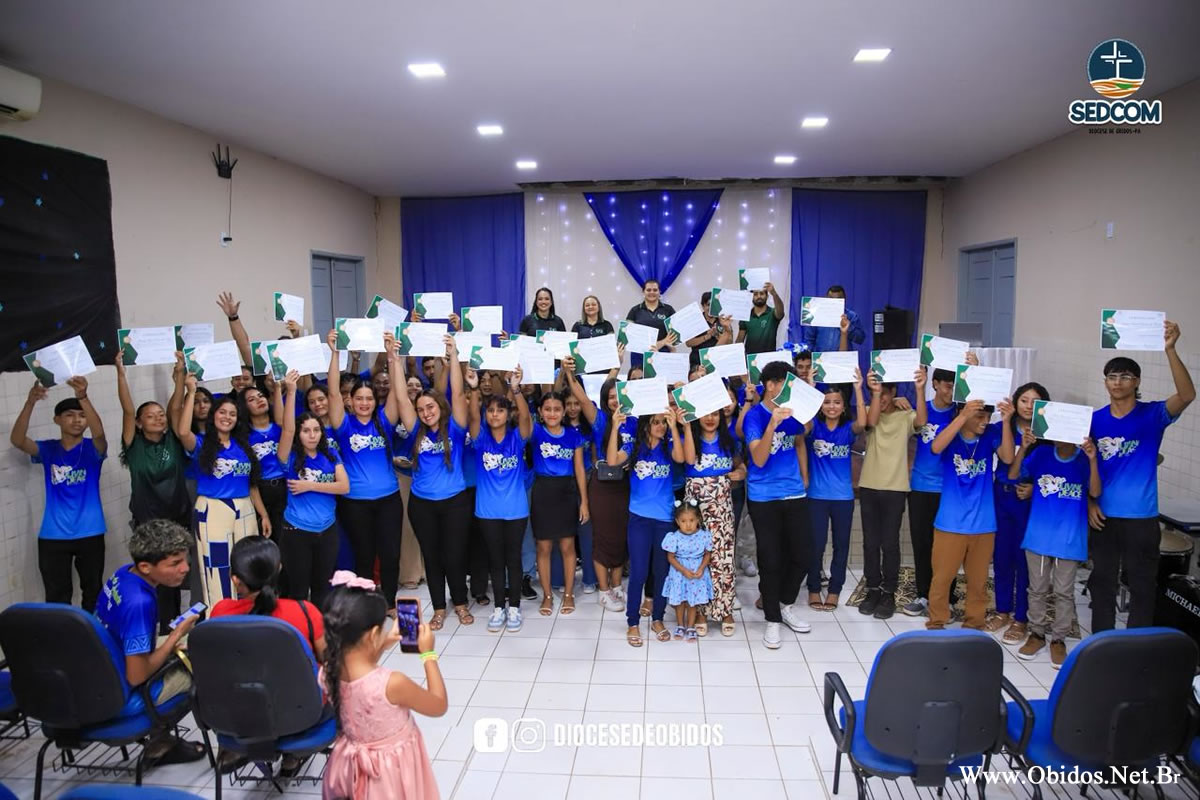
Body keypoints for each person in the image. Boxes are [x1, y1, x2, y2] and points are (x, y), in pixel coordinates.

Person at [1089, 320, 1194, 631]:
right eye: (1112, 376)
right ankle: (1102, 642)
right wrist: (1089, 504)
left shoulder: (1153, 415)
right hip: (1104, 517)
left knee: (1142, 585)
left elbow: (1187, 394)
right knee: (1102, 583)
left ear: (1136, 381)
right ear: (1105, 382)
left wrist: (1170, 349)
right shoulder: (1093, 421)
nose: (1118, 382)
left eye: (1125, 376)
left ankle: (1136, 644)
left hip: (1142, 517)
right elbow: (1083, 468)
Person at [321, 576, 444, 800]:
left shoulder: (327, 671)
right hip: (389, 775)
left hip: (348, 766)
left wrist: (384, 641)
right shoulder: (391, 683)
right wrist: (428, 654)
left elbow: (358, 660)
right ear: (371, 635)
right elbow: (438, 705)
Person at [94, 519, 206, 765]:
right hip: (122, 685)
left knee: (191, 643)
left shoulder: (124, 573)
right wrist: (175, 636)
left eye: (185, 560)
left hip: (105, 664)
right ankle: (161, 744)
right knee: (203, 662)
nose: (185, 568)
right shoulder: (140, 603)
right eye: (175, 563)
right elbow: (136, 675)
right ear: (145, 566)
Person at [11, 376, 108, 611]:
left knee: (93, 592)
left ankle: (90, 632)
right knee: (57, 597)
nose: (77, 420)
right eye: (69, 415)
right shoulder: (48, 449)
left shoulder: (93, 449)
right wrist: (30, 403)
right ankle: (62, 633)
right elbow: (18, 440)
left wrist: (83, 397)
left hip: (91, 532)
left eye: (82, 415)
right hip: (53, 535)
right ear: (57, 420)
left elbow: (99, 434)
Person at [397, 335, 473, 630]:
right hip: (422, 505)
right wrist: (394, 359)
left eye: (430, 407)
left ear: (440, 406)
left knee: (455, 556)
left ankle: (461, 603)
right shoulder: (416, 429)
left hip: (455, 503)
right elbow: (401, 398)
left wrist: (453, 357)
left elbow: (458, 393)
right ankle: (439, 608)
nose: (426, 413)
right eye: (421, 409)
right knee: (432, 557)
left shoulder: (455, 428)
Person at [327, 330, 405, 608]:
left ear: (375, 401)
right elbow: (332, 392)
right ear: (350, 401)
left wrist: (393, 357)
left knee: (390, 555)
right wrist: (335, 353)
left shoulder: (385, 420)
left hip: (388, 500)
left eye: (368, 398)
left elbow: (397, 393)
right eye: (358, 398)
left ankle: (390, 603)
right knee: (364, 555)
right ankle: (368, 606)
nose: (363, 403)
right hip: (355, 503)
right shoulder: (343, 424)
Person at [175, 380, 269, 606]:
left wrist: (263, 514)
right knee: (216, 568)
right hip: (213, 508)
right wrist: (190, 392)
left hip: (245, 507)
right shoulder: (202, 444)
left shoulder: (242, 446)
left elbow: (251, 484)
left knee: (248, 563)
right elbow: (183, 431)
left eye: (233, 414)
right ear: (213, 416)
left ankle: (249, 613)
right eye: (222, 412)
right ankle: (220, 614)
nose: (227, 417)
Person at [115, 355, 191, 631]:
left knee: (173, 579)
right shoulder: (133, 446)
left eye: (160, 415)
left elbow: (176, 405)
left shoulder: (173, 439)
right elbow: (127, 410)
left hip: (177, 519)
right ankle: (151, 627)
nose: (158, 418)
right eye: (150, 416)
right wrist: (121, 374)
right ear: (139, 423)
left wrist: (180, 374)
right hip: (148, 523)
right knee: (151, 576)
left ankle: (171, 629)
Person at [927, 398, 1016, 630]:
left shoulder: (991, 434)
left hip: (983, 523)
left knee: (978, 582)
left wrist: (1006, 421)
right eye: (979, 416)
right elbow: (936, 447)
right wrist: (963, 416)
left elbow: (1008, 458)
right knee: (942, 579)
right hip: (950, 523)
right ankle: (937, 621)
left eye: (988, 416)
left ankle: (974, 623)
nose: (985, 422)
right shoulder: (950, 431)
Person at [742, 361, 813, 648]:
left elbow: (806, 430)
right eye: (785, 383)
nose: (789, 389)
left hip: (793, 492)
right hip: (763, 497)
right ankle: (772, 620)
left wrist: (807, 396)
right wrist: (772, 423)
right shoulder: (754, 417)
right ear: (770, 385)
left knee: (803, 555)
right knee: (770, 560)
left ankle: (785, 605)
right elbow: (759, 459)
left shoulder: (791, 410)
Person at [1013, 434, 1100, 668]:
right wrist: (1024, 448)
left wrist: (1093, 459)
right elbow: (1015, 475)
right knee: (1037, 589)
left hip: (1069, 538)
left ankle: (1059, 639)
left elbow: (1095, 492)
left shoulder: (1083, 459)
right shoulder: (1041, 454)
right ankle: (1037, 634)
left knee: (1064, 592)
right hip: (1039, 536)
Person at [607, 408, 686, 646]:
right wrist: (615, 427)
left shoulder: (669, 446)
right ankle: (633, 622)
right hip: (639, 519)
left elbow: (681, 458)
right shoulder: (634, 447)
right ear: (645, 425)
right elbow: (612, 461)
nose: (660, 426)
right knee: (639, 573)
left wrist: (674, 427)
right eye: (656, 422)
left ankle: (658, 618)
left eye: (663, 422)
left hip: (664, 520)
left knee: (661, 572)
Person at [857, 371, 928, 620]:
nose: (883, 398)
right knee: (870, 542)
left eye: (887, 393)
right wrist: (876, 394)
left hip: (896, 488)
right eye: (878, 393)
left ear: (894, 392)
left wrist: (919, 389)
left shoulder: (905, 415)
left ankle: (889, 592)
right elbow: (870, 423)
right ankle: (872, 590)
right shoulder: (869, 411)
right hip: (869, 486)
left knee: (889, 543)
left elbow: (922, 421)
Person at [563, 369, 635, 613]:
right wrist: (569, 373)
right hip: (602, 486)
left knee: (621, 536)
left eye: (619, 396)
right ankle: (604, 591)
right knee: (603, 537)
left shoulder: (634, 422)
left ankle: (616, 585)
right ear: (605, 399)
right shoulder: (600, 419)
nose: (615, 401)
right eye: (611, 396)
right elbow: (582, 398)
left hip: (624, 485)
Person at [276, 372, 350, 604]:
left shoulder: (331, 454)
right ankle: (300, 627)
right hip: (297, 531)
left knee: (322, 589)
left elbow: (344, 487)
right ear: (298, 434)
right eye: (306, 430)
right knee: (298, 591)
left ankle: (319, 626)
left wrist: (309, 485)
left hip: (327, 530)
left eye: (316, 430)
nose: (312, 435)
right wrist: (290, 391)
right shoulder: (289, 457)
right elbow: (287, 430)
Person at [469, 368, 532, 633]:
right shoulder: (480, 439)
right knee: (495, 560)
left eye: (500, 410)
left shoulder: (517, 438)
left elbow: (526, 417)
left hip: (516, 510)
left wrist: (515, 389)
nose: (495, 414)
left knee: (513, 559)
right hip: (487, 511)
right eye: (491, 410)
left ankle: (514, 607)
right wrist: (474, 388)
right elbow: (473, 416)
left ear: (508, 414)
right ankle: (498, 607)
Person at [988, 382, 1048, 644]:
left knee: (1025, 560)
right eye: (1024, 400)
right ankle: (1002, 610)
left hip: (1029, 501)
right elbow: (1005, 459)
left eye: (1035, 402)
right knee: (1001, 556)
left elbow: (1057, 469)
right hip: (1001, 496)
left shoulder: (1049, 433)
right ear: (1015, 402)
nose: (1028, 406)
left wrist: (1036, 488)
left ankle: (1021, 618)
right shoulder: (1003, 426)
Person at [804, 373, 868, 611]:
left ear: (843, 406)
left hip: (843, 497)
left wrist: (858, 388)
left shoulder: (848, 429)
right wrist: (811, 390)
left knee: (841, 546)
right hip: (816, 497)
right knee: (816, 545)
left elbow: (863, 422)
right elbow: (804, 423)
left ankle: (834, 589)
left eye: (837, 402)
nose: (832, 406)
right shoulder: (814, 427)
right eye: (827, 402)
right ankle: (813, 588)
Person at [680, 404, 744, 636]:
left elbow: (740, 466)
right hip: (695, 510)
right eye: (705, 413)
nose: (710, 418)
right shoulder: (690, 438)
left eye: (714, 413)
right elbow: (689, 460)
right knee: (697, 558)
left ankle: (726, 610)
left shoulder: (728, 441)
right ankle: (701, 611)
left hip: (722, 509)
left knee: (723, 560)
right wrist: (686, 427)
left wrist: (741, 472)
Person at [902, 367, 960, 617]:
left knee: (948, 547)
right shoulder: (921, 409)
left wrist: (974, 367)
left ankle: (947, 596)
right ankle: (924, 594)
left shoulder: (960, 414)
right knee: (922, 543)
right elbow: (916, 424)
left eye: (955, 387)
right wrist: (915, 390)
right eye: (947, 386)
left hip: (950, 489)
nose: (950, 392)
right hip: (921, 486)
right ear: (935, 384)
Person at [211, 535, 327, 660]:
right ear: (279, 568)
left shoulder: (220, 612)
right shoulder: (306, 612)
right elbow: (329, 660)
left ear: (235, 580)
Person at [530, 392, 589, 615]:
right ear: (540, 412)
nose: (552, 413)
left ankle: (569, 593)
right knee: (544, 547)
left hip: (567, 492)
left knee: (567, 546)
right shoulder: (536, 432)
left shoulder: (573, 435)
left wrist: (584, 502)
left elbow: (579, 469)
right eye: (547, 409)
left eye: (557, 409)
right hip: (543, 491)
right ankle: (547, 595)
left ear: (564, 411)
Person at [240, 383, 287, 539]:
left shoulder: (281, 428)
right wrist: (263, 514)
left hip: (287, 488)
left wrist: (278, 388)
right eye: (251, 399)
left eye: (261, 396)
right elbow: (251, 481)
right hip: (262, 492)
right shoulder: (244, 437)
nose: (259, 400)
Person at [661, 500, 713, 642]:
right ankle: (680, 625)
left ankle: (690, 627)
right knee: (680, 602)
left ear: (698, 519)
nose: (688, 525)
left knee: (692, 602)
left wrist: (701, 569)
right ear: (677, 521)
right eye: (683, 521)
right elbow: (671, 557)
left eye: (691, 520)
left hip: (696, 574)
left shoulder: (704, 536)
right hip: (679, 573)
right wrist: (683, 570)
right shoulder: (674, 538)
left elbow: (707, 554)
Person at [802, 285, 865, 353]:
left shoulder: (851, 316)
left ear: (844, 299)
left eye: (838, 299)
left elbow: (860, 339)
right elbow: (809, 339)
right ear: (826, 298)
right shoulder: (817, 315)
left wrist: (849, 327)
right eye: (831, 299)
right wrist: (812, 355)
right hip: (821, 357)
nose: (834, 302)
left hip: (843, 357)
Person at [625, 279, 678, 356]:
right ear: (643, 292)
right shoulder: (635, 310)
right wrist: (663, 342)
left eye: (655, 290)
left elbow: (674, 333)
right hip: (639, 354)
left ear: (659, 292)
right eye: (648, 290)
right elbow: (627, 335)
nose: (652, 292)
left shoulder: (668, 309)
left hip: (663, 352)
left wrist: (662, 344)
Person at [738, 281, 785, 355]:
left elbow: (780, 312)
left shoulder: (772, 313)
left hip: (769, 358)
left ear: (767, 296)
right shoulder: (746, 315)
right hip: (751, 359)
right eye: (755, 294)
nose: (759, 296)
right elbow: (740, 340)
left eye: (762, 293)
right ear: (751, 297)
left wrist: (774, 294)